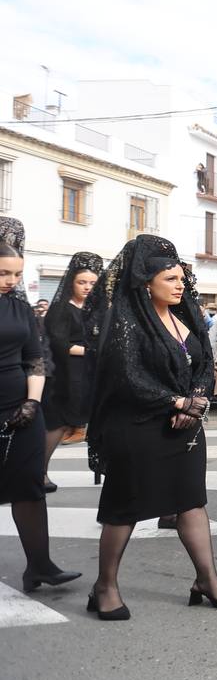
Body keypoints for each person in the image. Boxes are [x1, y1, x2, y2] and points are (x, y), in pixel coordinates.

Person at [86, 234, 217, 618]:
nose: (180, 284)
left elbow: (204, 362)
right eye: (170, 279)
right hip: (137, 427)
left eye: (181, 277)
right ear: (145, 281)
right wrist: (176, 401)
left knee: (191, 502)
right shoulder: (126, 321)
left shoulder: (185, 314)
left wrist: (196, 401)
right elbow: (127, 377)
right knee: (125, 508)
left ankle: (208, 580)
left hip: (185, 428)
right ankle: (104, 586)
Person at [0, 218, 80, 595]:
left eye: (15, 274)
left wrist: (32, 402)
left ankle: (40, 565)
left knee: (29, 486)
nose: (10, 281)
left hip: (23, 409)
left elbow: (34, 357)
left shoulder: (18, 308)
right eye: (3, 273)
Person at [40, 251, 102, 487]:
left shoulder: (98, 309)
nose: (87, 287)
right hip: (67, 373)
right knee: (59, 423)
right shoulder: (60, 309)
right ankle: (39, 472)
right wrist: (91, 351)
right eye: (81, 282)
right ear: (71, 283)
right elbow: (59, 343)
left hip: (93, 372)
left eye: (92, 283)